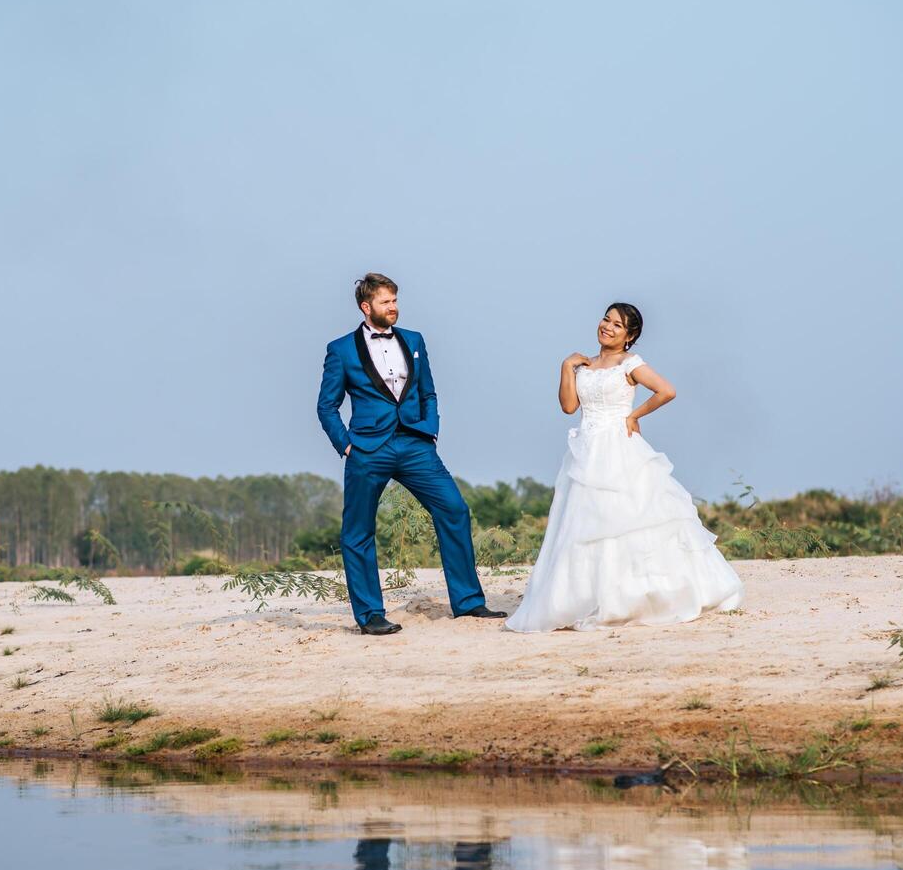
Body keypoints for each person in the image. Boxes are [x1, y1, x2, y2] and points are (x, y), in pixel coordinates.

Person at [504, 303, 743, 633]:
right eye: (606, 319)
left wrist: (633, 416)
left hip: (618, 446)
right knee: (584, 524)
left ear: (630, 336)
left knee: (625, 518)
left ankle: (637, 596)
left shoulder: (630, 364)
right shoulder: (584, 365)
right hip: (585, 449)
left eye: (618, 325)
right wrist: (566, 367)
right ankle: (588, 597)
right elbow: (569, 406)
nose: (608, 327)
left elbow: (666, 391)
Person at [317, 272, 506, 635]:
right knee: (357, 531)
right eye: (386, 302)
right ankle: (371, 614)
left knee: (453, 508)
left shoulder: (414, 340)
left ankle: (468, 603)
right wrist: (346, 444)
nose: (394, 308)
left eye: (395, 301)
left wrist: (430, 429)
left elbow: (429, 392)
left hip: (415, 444)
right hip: (367, 449)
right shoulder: (340, 349)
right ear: (366, 306)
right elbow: (327, 406)